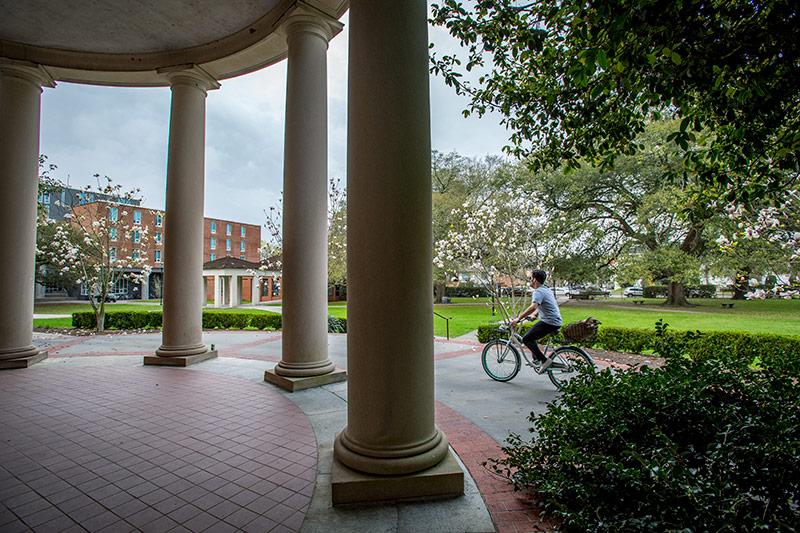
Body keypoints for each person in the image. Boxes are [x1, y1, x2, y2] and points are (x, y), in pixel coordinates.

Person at [511, 269, 562, 367]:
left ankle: (544, 361)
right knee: (532, 336)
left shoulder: (538, 292)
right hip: (554, 321)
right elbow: (541, 306)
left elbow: (533, 306)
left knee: (526, 339)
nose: (529, 280)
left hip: (549, 322)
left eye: (530, 278)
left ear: (534, 280)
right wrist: (534, 314)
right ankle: (537, 360)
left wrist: (518, 318)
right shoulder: (546, 289)